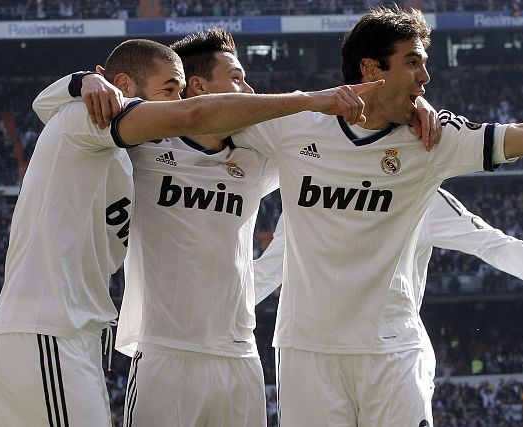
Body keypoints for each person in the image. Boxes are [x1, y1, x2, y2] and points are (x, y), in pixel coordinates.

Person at [230, 5, 523, 425]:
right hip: (306, 350)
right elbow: (200, 125)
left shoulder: (432, 142)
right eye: (413, 62)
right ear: (371, 68)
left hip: (392, 350)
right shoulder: (294, 127)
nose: (425, 76)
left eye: (424, 63)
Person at [34, 29, 440, 426]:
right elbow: (57, 114)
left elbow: (342, 141)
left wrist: (414, 110)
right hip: (165, 355)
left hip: (240, 358)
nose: (249, 89)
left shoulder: (257, 156)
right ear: (198, 86)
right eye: (236, 77)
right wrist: (84, 81)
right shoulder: (144, 149)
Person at [253, 186, 523, 411]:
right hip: (313, 354)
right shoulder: (309, 187)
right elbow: (268, 271)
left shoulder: (418, 191)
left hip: (391, 352)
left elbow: (494, 244)